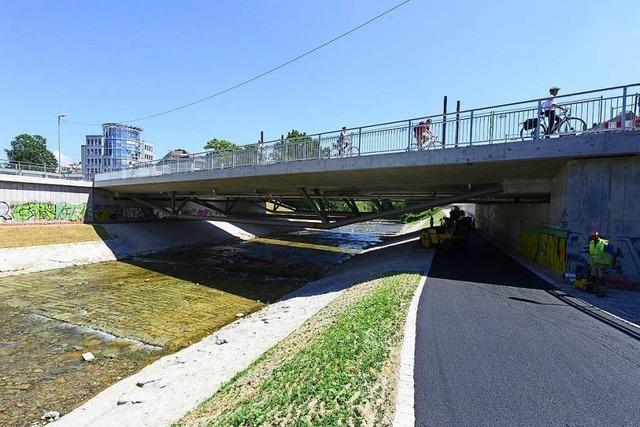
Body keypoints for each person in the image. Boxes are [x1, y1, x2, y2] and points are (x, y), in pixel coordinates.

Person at [588, 231, 614, 297]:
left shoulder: (604, 243)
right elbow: (591, 254)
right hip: (595, 263)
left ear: (597, 236)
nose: (593, 238)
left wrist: (608, 262)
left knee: (601, 278)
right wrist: (591, 263)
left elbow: (611, 253)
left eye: (594, 236)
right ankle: (596, 290)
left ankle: (602, 292)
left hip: (602, 263)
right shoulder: (591, 243)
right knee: (594, 277)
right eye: (592, 237)